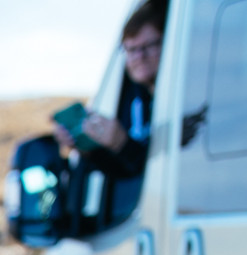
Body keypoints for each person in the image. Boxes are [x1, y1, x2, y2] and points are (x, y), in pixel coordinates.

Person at [57, 0, 166, 186]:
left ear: (168, 43)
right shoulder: (137, 100)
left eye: (148, 46)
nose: (139, 57)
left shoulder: (182, 100)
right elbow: (127, 178)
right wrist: (86, 147)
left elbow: (163, 170)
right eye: (131, 50)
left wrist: (122, 144)